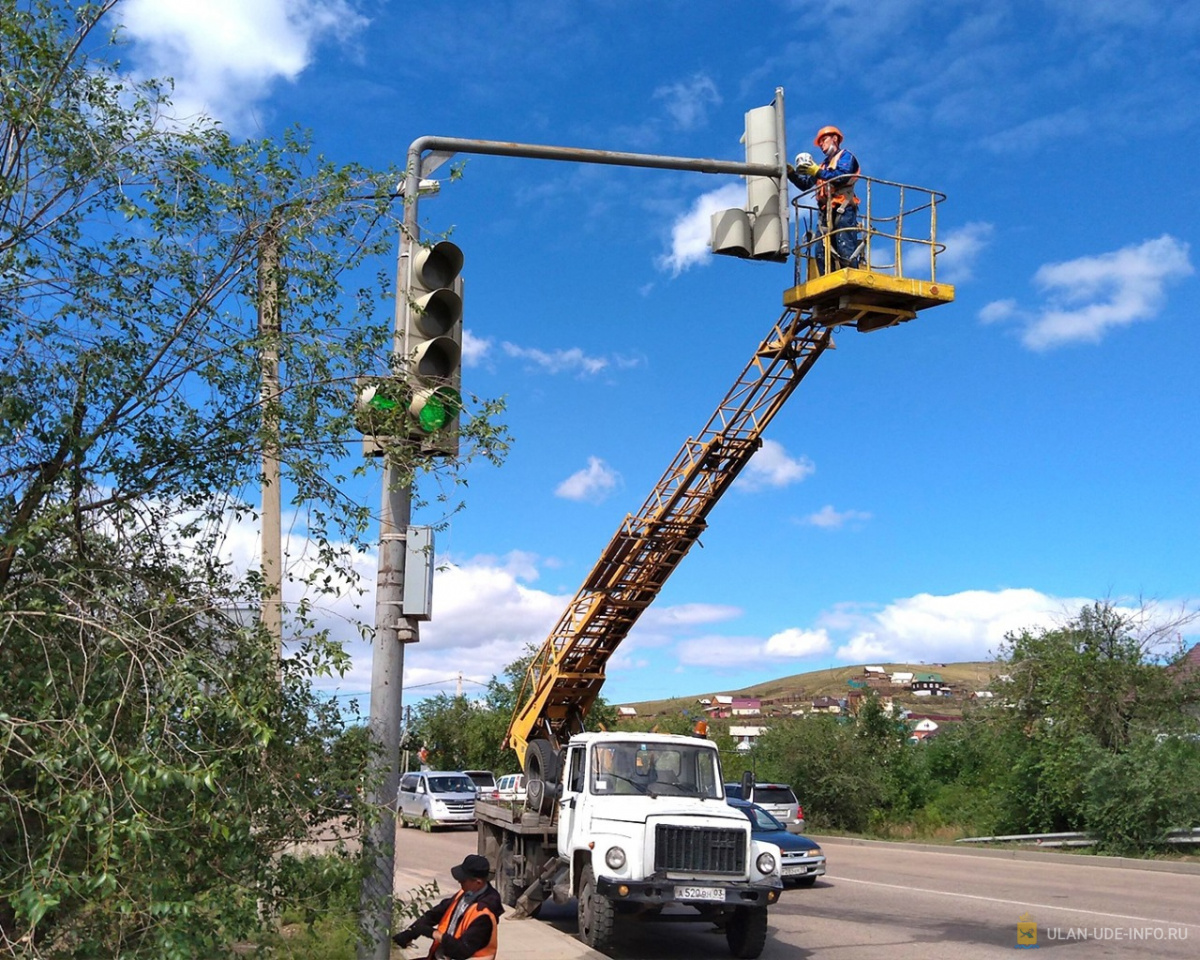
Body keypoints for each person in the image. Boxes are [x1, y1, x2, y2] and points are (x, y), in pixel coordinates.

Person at [392, 854, 502, 959]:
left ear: (478, 883)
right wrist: (411, 932)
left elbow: (461, 951)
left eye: (463, 880)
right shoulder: (466, 893)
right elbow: (434, 915)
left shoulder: (484, 914)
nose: (459, 881)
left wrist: (432, 933)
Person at [787, 124, 862, 273]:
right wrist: (792, 174)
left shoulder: (846, 157)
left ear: (835, 139)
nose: (821, 144)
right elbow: (806, 184)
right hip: (825, 212)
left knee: (844, 246)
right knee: (821, 252)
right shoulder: (823, 166)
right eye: (819, 142)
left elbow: (841, 177)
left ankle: (851, 277)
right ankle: (829, 279)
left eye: (824, 140)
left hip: (843, 208)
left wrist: (817, 171)